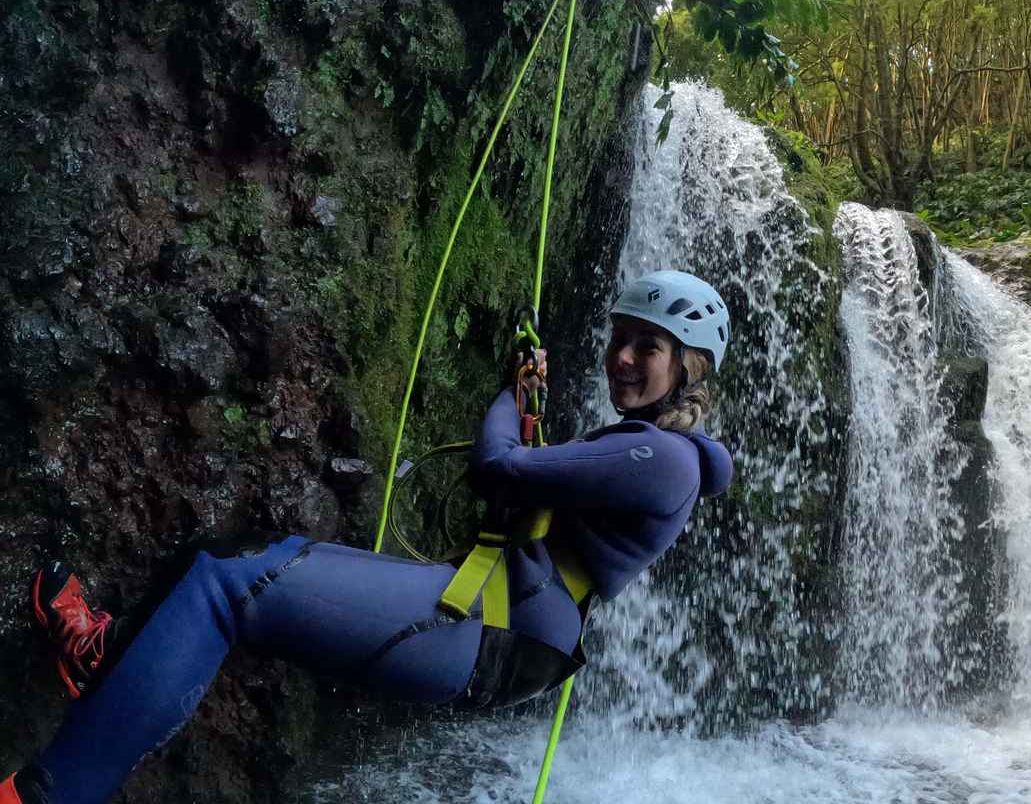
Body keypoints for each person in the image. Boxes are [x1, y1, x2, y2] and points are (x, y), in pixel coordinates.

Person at [2, 270, 734, 804]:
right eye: (620, 340)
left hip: (483, 630)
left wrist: (511, 398)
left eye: (648, 347)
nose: (623, 358)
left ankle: (50, 793)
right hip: (491, 624)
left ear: (688, 366)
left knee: (227, 585)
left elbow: (501, 467)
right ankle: (103, 657)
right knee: (241, 557)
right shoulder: (657, 451)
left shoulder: (660, 457)